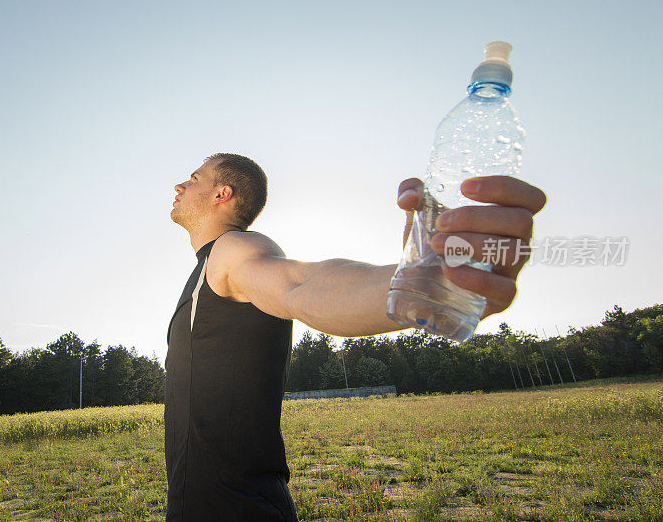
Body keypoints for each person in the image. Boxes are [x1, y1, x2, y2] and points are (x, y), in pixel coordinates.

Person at [165, 152, 546, 521]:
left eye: (195, 178)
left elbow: (301, 285)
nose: (181, 184)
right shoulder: (203, 272)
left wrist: (419, 287)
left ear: (222, 194)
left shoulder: (234, 251)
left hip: (238, 510)